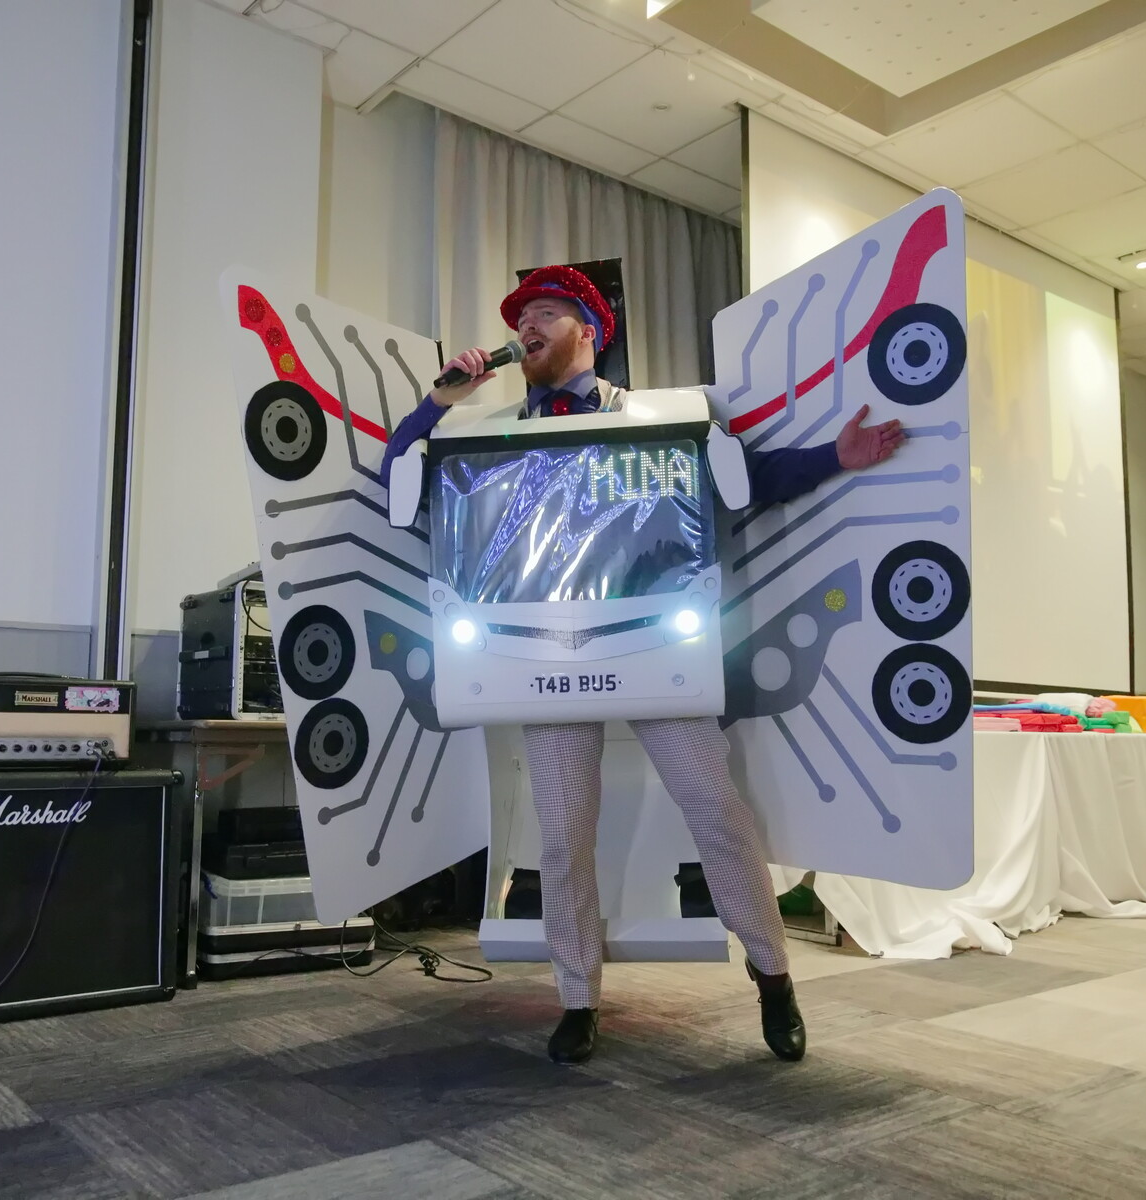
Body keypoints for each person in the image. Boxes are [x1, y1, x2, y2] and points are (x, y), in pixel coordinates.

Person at [384, 266, 907, 1063]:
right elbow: (399, 471)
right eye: (521, 319)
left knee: (717, 812)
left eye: (546, 313)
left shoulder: (658, 418)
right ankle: (578, 998)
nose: (527, 327)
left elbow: (745, 480)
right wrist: (437, 403)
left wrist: (834, 457)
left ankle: (773, 977)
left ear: (590, 331)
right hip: (540, 654)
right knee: (561, 838)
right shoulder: (488, 434)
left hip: (656, 645)